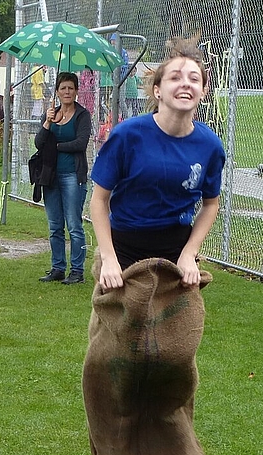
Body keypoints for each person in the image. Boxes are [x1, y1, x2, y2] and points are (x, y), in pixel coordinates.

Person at [89, 39, 226, 291]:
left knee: (178, 330)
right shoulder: (127, 135)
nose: (186, 83)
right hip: (124, 251)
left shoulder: (210, 146)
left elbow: (211, 204)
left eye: (194, 79)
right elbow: (99, 200)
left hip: (176, 255)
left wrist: (189, 253)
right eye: (175, 77)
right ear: (157, 90)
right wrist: (108, 258)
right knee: (118, 330)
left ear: (203, 91)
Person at [35, 72, 92, 284]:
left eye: (70, 88)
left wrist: (56, 147)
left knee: (74, 225)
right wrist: (47, 123)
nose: (67, 92)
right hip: (51, 177)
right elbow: (39, 143)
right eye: (63, 88)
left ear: (76, 90)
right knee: (54, 225)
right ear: (57, 92)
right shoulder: (50, 114)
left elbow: (80, 143)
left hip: (72, 176)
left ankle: (77, 271)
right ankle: (57, 267)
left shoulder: (82, 115)